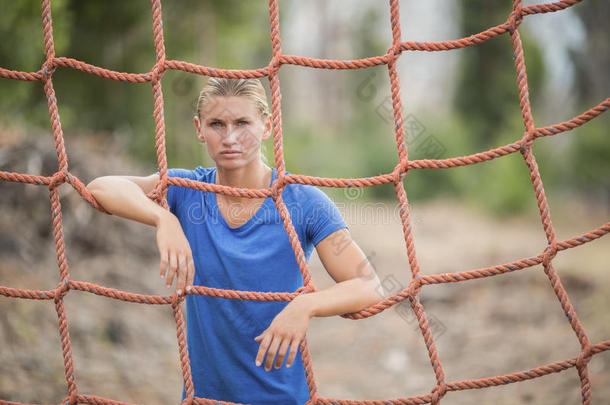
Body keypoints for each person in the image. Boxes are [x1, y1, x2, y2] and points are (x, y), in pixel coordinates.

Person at [87, 77, 383, 404]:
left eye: (242, 123)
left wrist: (306, 305)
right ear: (199, 129)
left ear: (267, 125)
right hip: (205, 399)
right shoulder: (187, 191)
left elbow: (368, 286)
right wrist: (163, 218)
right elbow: (102, 187)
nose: (230, 138)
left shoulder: (302, 203)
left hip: (282, 398)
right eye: (217, 124)